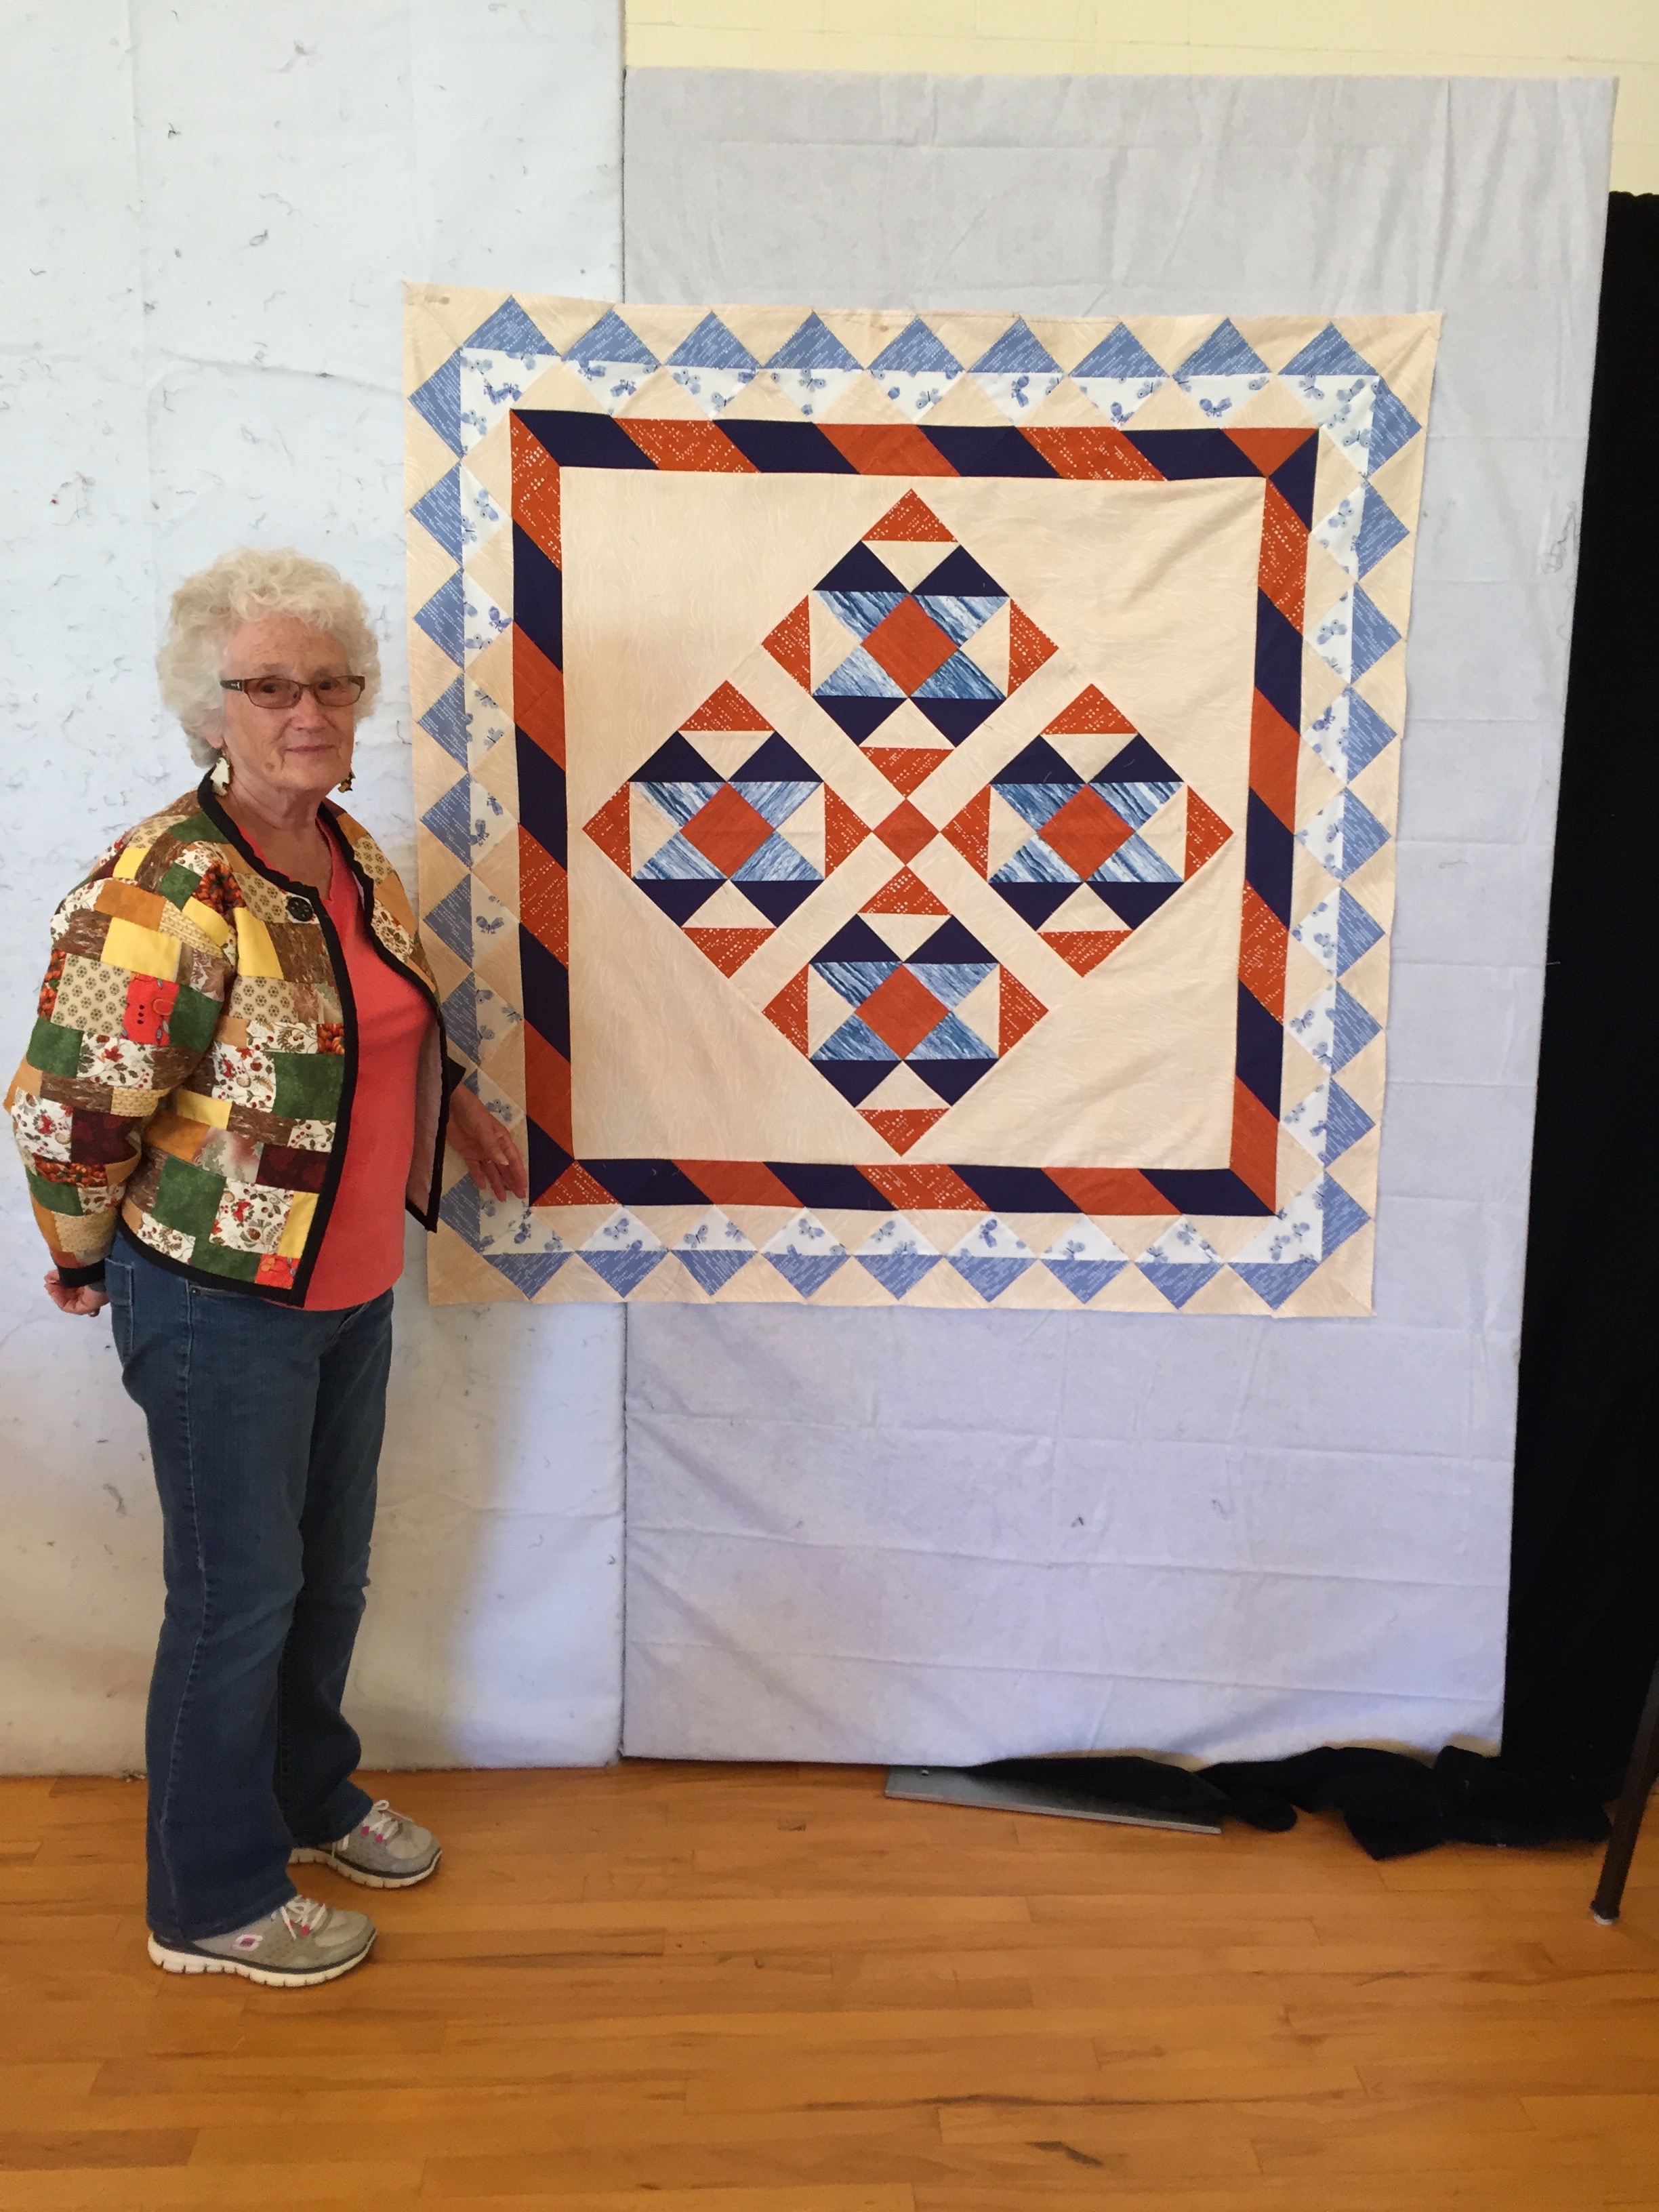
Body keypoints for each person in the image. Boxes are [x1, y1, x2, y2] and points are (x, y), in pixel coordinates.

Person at [5, 548, 526, 1988]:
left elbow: (379, 1019)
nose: (309, 710)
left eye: (332, 682)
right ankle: (210, 1899)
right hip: (217, 1299)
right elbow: (67, 1104)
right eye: (270, 686)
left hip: (348, 1287)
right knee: (238, 1599)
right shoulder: (161, 886)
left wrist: (455, 1108)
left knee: (326, 1579)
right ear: (210, 705)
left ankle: (305, 1796)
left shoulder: (347, 851)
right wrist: (81, 1254)